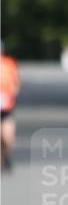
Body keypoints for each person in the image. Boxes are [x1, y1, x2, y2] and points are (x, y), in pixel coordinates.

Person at [0, 42, 21, 172]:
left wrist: (13, 92)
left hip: (6, 107)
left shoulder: (9, 64)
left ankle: (6, 155)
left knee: (8, 137)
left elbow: (16, 82)